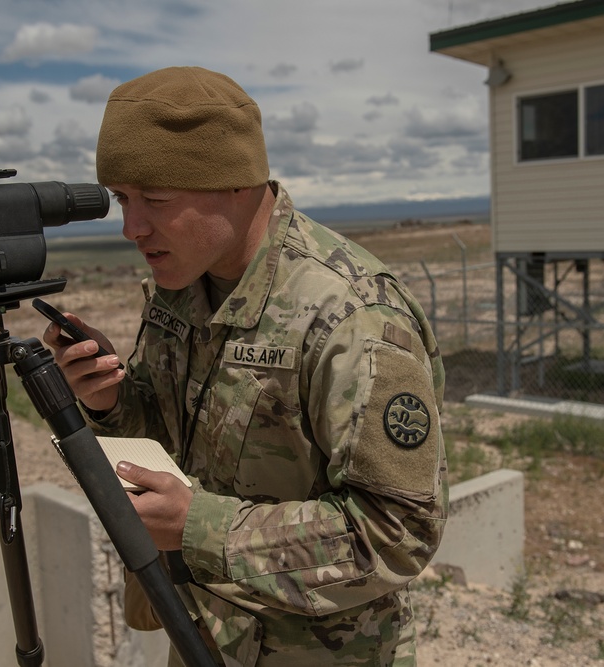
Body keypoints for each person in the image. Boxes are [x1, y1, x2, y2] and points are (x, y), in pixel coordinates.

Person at [43, 66, 448, 667]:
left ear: (234, 184)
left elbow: (397, 531)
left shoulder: (348, 315)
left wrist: (198, 526)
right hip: (202, 634)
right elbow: (175, 437)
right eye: (124, 200)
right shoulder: (183, 285)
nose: (131, 228)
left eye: (155, 200)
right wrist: (110, 400)